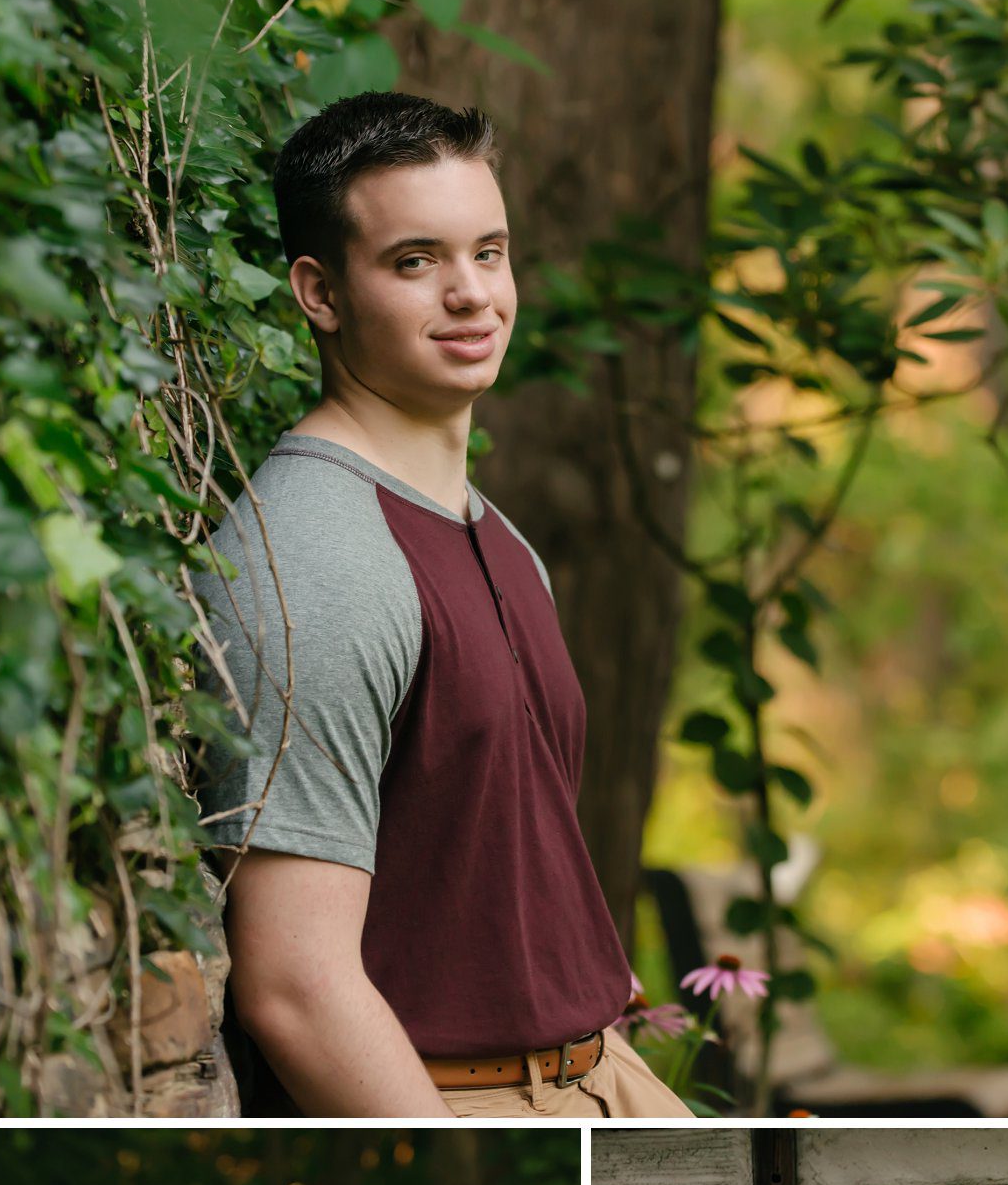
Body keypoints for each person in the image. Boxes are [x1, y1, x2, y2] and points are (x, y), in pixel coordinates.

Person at [203, 90, 693, 1127]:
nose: (471, 294)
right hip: (454, 1105)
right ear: (320, 292)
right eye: (415, 261)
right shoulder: (318, 558)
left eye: (490, 252)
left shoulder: (498, 539)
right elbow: (296, 986)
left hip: (597, 1079)